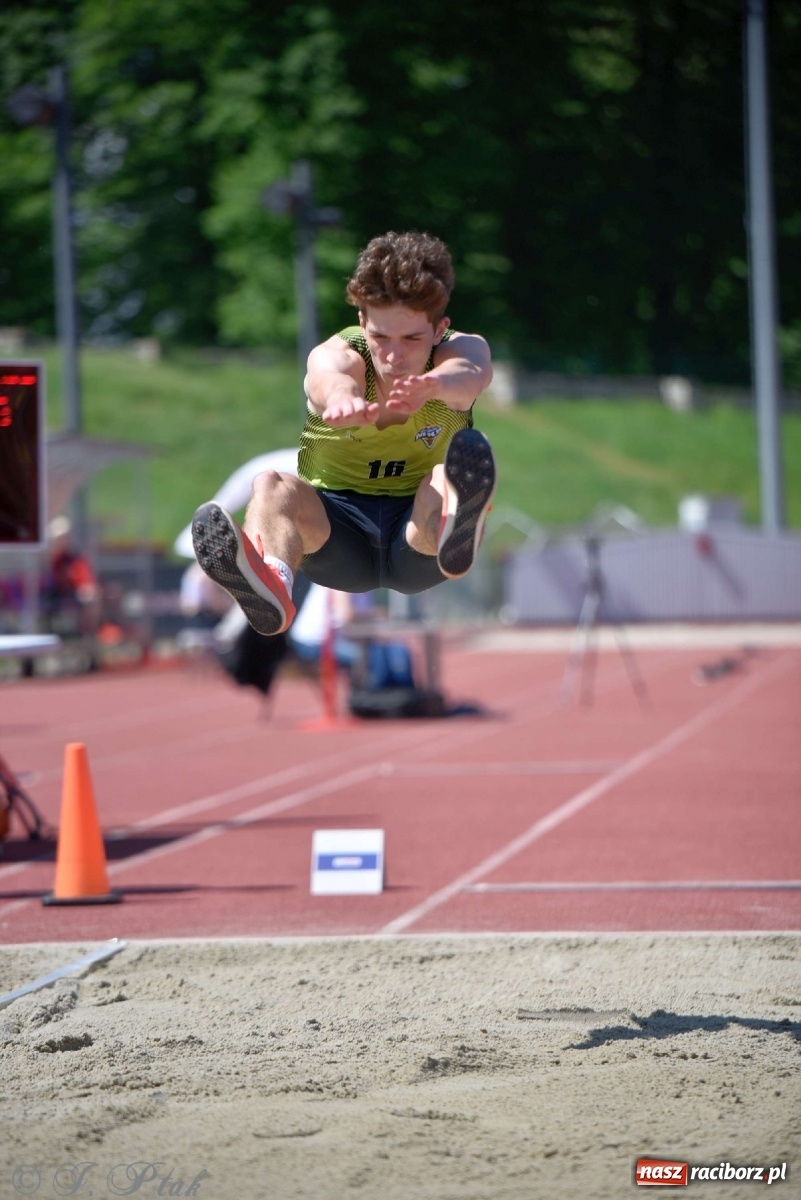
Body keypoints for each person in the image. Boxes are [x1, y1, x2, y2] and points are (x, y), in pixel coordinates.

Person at [191, 230, 496, 638]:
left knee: (443, 478)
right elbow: (327, 376)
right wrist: (343, 398)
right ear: (361, 322)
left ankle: (454, 531)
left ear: (440, 329)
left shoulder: (461, 353)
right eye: (380, 337)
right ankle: (273, 583)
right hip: (337, 537)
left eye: (411, 339)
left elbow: (471, 375)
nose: (393, 355)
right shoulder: (336, 354)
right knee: (272, 484)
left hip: (415, 539)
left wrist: (434, 385)